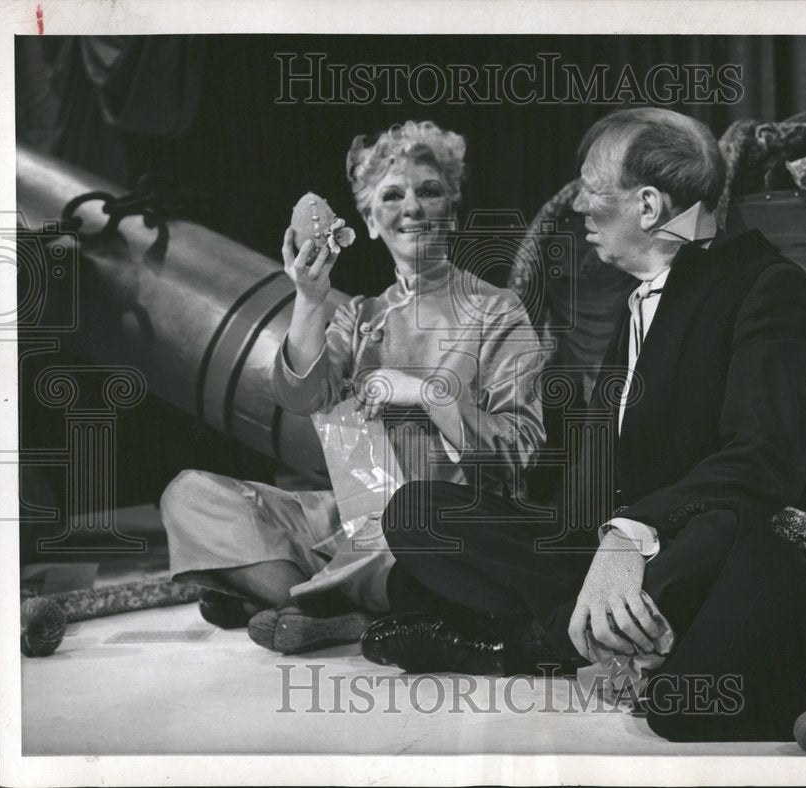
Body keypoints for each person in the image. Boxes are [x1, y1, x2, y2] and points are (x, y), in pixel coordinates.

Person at [360, 108, 806, 742]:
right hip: (641, 552)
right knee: (419, 514)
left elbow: (764, 463)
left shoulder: (770, 287)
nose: (579, 204)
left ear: (647, 205)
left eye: (592, 189)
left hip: (738, 547)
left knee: (681, 694)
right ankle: (588, 631)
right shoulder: (640, 301)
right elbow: (595, 486)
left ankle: (521, 642)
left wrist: (629, 535)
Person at [160, 120, 545, 653]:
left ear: (451, 211)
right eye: (392, 195)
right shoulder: (358, 315)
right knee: (192, 496)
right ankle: (345, 610)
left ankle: (287, 597)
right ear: (367, 220)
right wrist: (309, 299)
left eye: (429, 191)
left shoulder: (497, 309)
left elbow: (520, 452)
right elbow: (299, 395)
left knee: (410, 532)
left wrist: (424, 393)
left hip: (440, 528)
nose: (411, 207)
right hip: (353, 524)